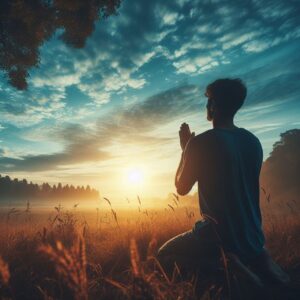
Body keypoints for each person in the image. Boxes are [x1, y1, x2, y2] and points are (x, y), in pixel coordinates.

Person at [157, 78, 289, 287]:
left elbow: (181, 189)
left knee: (163, 255)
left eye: (208, 100)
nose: (207, 105)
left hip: (217, 236)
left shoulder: (200, 143)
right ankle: (259, 261)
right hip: (253, 235)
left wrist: (185, 151)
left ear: (213, 105)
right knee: (256, 255)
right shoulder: (253, 141)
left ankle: (228, 266)